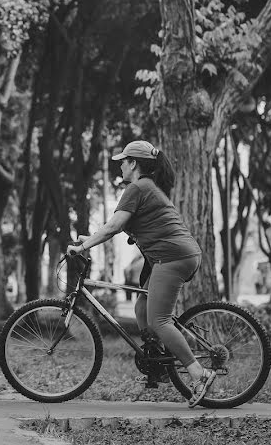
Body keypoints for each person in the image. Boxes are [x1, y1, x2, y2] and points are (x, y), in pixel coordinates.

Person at [67, 140, 217, 407]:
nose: (120, 167)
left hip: (173, 257)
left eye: (123, 161)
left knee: (159, 320)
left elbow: (114, 226)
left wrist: (84, 247)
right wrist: (88, 239)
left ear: (134, 163)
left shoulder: (137, 188)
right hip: (174, 255)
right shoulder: (145, 188)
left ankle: (199, 373)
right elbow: (117, 226)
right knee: (141, 308)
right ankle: (157, 363)